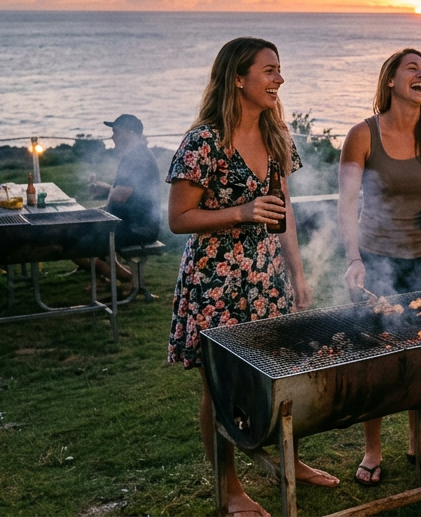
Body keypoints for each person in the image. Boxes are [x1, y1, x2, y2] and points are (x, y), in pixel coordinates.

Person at [166, 37, 337, 515]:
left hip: (266, 277)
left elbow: (284, 214)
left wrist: (298, 274)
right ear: (238, 78)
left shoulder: (278, 135)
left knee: (280, 376)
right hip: (214, 280)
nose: (278, 79)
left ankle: (291, 460)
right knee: (219, 388)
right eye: (269, 70)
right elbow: (179, 218)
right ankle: (229, 490)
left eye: (279, 70)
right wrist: (240, 211)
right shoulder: (204, 140)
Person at [339, 48, 421, 486]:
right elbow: (347, 202)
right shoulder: (362, 134)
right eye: (413, 68)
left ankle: (419, 441)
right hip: (377, 257)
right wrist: (353, 258)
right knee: (376, 354)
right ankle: (373, 447)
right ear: (391, 80)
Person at [82, 114, 162, 284]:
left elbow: (119, 196)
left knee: (80, 237)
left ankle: (121, 276)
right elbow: (124, 191)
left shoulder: (137, 159)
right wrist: (105, 189)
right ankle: (109, 277)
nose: (113, 136)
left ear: (131, 133)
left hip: (138, 228)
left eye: (116, 132)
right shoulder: (135, 155)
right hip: (132, 224)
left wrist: (103, 208)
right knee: (85, 229)